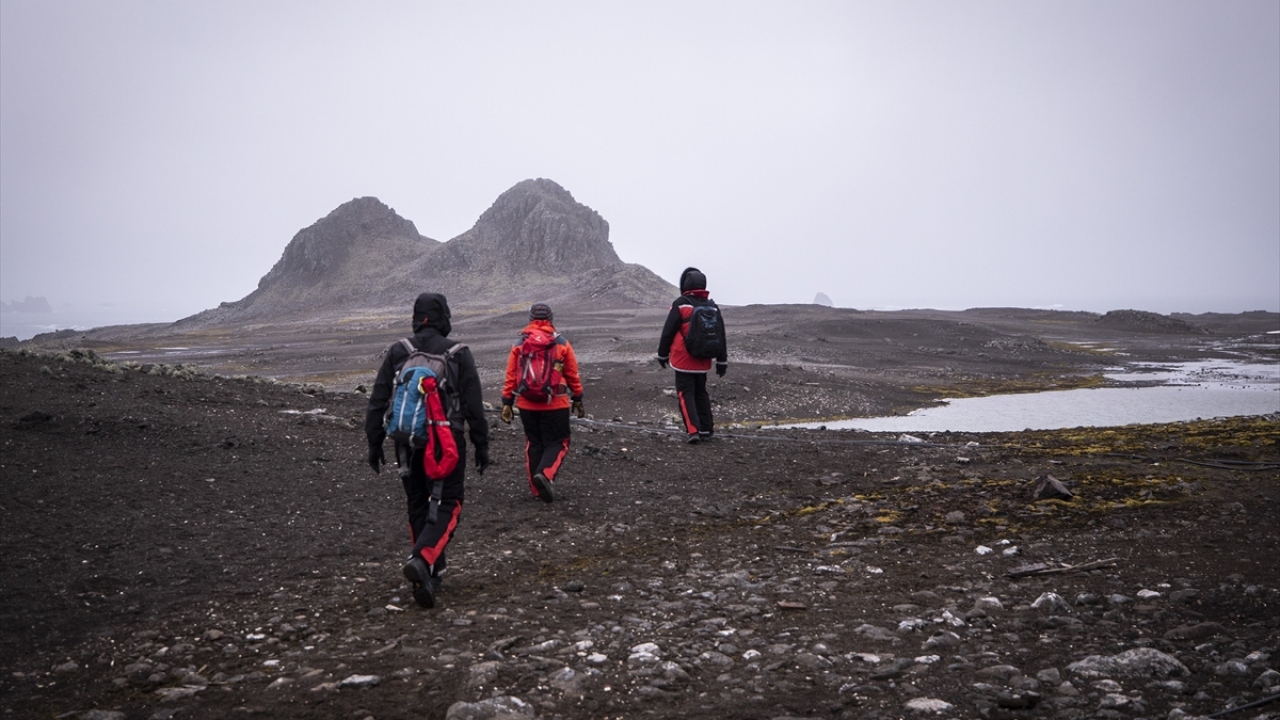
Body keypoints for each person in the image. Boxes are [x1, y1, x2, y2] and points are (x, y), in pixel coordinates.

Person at [364, 292, 490, 608]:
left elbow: (379, 399)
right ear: (444, 317)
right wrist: (481, 446)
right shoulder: (458, 353)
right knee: (448, 502)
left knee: (419, 502)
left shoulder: (398, 351)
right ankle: (422, 558)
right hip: (445, 444)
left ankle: (433, 572)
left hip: (405, 442)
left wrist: (374, 442)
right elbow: (474, 406)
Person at [500, 303, 585, 503]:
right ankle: (545, 475)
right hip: (555, 402)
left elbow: (511, 375)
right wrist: (578, 397)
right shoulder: (561, 343)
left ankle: (537, 489)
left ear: (530, 319)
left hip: (526, 403)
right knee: (558, 442)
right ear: (551, 319)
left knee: (534, 443)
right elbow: (571, 374)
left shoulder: (519, 343)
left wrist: (506, 402)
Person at [657, 267, 728, 443]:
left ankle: (693, 431)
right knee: (701, 392)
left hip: (683, 359)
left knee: (685, 394)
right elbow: (721, 334)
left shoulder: (681, 304)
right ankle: (707, 429)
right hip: (703, 359)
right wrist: (722, 361)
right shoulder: (712, 306)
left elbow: (668, 332)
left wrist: (662, 355)